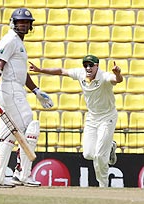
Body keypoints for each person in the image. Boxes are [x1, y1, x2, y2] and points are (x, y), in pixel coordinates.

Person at [0, 8, 53, 188]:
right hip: (10, 90)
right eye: (20, 21)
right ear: (13, 23)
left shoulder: (18, 43)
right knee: (31, 125)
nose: (23, 25)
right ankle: (22, 174)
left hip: (16, 89)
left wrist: (36, 91)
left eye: (26, 22)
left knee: (7, 134)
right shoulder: (10, 40)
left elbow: (21, 73)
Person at [29, 54, 122, 187]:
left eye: (91, 65)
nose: (88, 68)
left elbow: (117, 80)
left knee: (100, 156)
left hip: (107, 117)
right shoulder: (80, 74)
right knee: (88, 154)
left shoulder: (104, 76)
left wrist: (118, 73)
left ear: (97, 66)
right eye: (86, 65)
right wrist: (40, 70)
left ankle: (103, 186)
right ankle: (110, 146)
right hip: (92, 117)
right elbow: (61, 71)